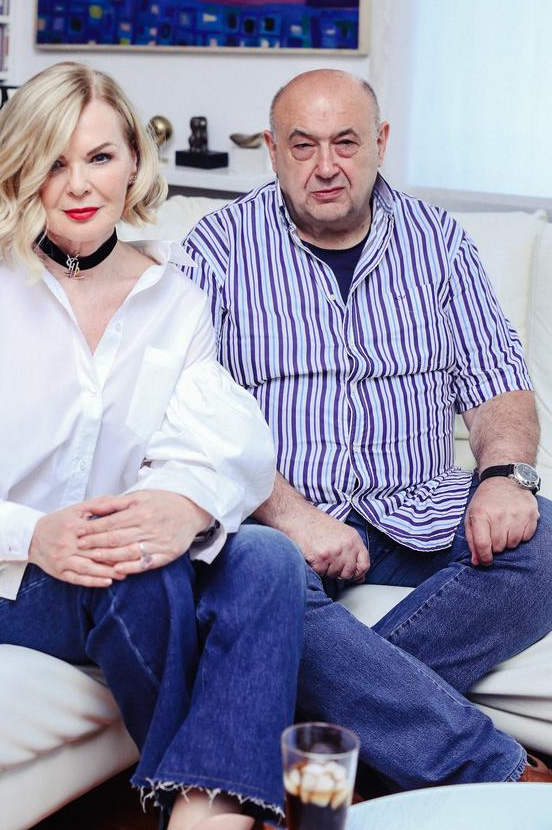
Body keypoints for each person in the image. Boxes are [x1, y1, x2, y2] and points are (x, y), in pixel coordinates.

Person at [0, 62, 308, 830]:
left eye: (99, 156)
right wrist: (33, 535)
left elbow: (207, 448)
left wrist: (181, 504)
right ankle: (203, 802)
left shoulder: (178, 302)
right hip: (2, 578)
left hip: (131, 553)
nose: (79, 184)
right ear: (23, 172)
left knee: (269, 559)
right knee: (142, 577)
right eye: (53, 162)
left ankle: (209, 812)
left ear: (133, 163)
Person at [183, 68, 552, 791]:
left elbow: (500, 385)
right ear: (272, 151)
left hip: (416, 505)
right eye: (303, 146)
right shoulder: (217, 249)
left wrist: (504, 478)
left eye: (346, 143)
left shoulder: (439, 242)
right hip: (279, 521)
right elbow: (190, 415)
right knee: (256, 579)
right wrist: (292, 516)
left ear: (381, 142)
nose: (326, 166)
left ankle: (312, 723)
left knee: (548, 540)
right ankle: (491, 768)